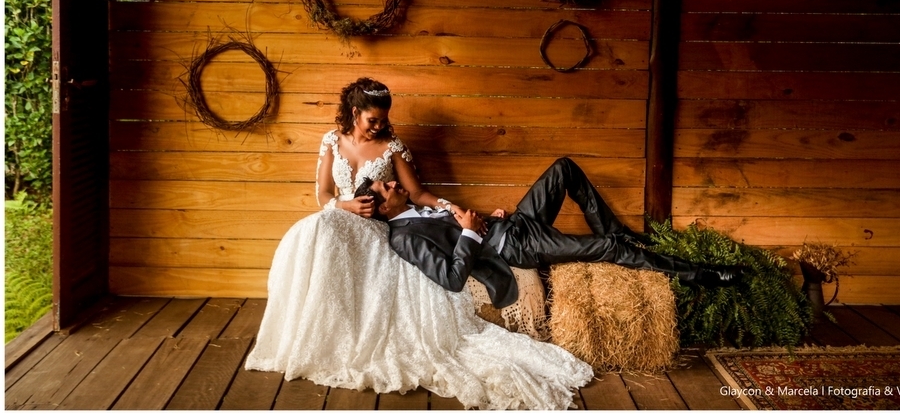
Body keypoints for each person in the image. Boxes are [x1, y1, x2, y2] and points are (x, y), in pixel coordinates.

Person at [245, 79, 593, 410]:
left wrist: (450, 207)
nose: (379, 126)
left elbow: (417, 194)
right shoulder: (330, 142)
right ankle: (313, 332)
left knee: (327, 227)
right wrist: (346, 205)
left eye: (384, 120)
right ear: (354, 113)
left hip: (377, 228)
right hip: (342, 216)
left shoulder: (392, 147)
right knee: (317, 227)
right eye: (372, 120)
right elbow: (322, 195)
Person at [361, 157, 742, 307]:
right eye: (385, 189)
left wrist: (489, 219)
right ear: (380, 208)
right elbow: (451, 277)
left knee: (564, 168)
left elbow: (459, 223)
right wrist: (473, 233)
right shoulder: (403, 237)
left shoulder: (415, 208)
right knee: (607, 248)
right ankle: (701, 274)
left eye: (389, 183)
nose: (392, 184)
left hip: (511, 223)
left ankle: (620, 232)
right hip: (517, 245)